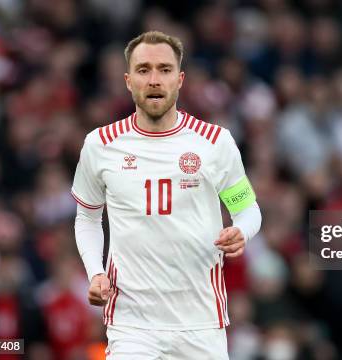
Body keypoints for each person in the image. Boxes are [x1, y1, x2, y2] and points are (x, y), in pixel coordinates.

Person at [71, 30, 262, 359]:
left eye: (164, 69)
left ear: (180, 79)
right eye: (144, 70)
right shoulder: (100, 144)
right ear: (129, 81)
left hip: (201, 321)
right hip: (132, 323)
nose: (154, 79)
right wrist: (96, 272)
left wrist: (240, 231)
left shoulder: (215, 142)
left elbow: (248, 210)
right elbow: (87, 216)